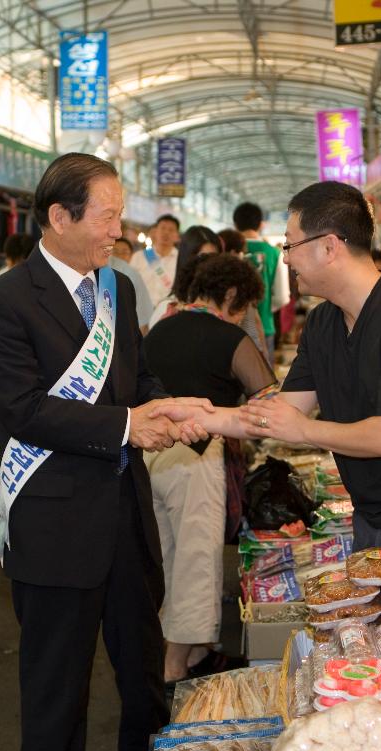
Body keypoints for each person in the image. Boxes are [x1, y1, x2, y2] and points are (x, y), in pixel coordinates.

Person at [0, 153, 210, 751]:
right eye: (106, 214)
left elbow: (133, 375)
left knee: (142, 669)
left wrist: (169, 404)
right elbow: (22, 410)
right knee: (56, 680)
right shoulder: (4, 302)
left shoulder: (121, 291)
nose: (118, 227)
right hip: (53, 521)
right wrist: (130, 424)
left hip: (125, 516)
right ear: (59, 217)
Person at [191, 182, 381, 561]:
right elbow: (281, 413)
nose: (285, 259)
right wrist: (200, 416)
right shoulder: (321, 324)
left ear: (329, 246)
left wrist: (305, 431)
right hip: (373, 514)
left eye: (290, 245)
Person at [142, 255, 276, 683]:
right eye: (246, 307)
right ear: (232, 295)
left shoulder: (160, 330)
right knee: (196, 563)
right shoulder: (229, 338)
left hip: (148, 455)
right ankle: (176, 667)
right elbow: (268, 398)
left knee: (162, 561)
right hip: (197, 459)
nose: (246, 316)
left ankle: (186, 653)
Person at [233, 201, 290, 360]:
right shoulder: (274, 253)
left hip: (231, 328)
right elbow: (282, 297)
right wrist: (264, 308)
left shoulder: (228, 251)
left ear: (235, 224)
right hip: (264, 327)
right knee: (263, 380)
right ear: (261, 224)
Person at [148, 226, 222, 329]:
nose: (208, 265)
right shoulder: (169, 308)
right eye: (202, 257)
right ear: (186, 259)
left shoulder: (225, 305)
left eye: (214, 257)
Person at [130, 213, 180, 307]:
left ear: (177, 236)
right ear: (155, 231)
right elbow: (129, 284)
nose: (166, 233)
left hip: (168, 313)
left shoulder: (181, 260)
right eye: (163, 228)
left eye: (171, 230)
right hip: (140, 311)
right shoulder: (139, 257)